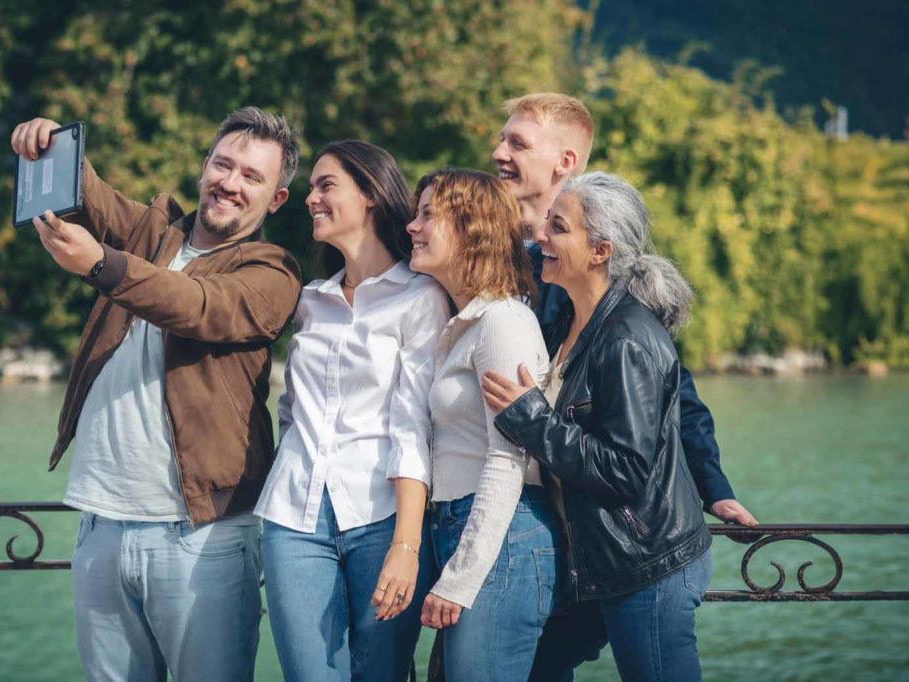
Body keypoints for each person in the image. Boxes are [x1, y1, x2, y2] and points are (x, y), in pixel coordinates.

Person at [10, 107, 302, 682]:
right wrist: (47, 140)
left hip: (201, 537)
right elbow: (90, 193)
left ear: (277, 200)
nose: (230, 183)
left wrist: (99, 263)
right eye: (223, 164)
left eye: (252, 176)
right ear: (203, 168)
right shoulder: (154, 231)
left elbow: (194, 304)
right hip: (100, 524)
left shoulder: (274, 271)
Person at [489, 92, 757, 680]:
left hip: (628, 544)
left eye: (516, 143)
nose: (498, 152)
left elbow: (670, 399)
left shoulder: (613, 299)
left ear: (565, 160)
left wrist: (711, 485)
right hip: (560, 534)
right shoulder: (491, 241)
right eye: (501, 139)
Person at [255, 140, 449, 681]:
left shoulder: (421, 298)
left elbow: (414, 430)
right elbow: (290, 410)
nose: (310, 198)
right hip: (293, 516)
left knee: (381, 674)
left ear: (369, 194)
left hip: (382, 518)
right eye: (311, 187)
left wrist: (406, 547)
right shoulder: (309, 300)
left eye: (325, 185)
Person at [408, 168, 562, 682]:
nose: (413, 226)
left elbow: (508, 459)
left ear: (473, 229)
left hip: (504, 537)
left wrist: (460, 577)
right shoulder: (465, 322)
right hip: (465, 529)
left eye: (429, 214)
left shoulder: (503, 322)